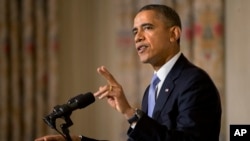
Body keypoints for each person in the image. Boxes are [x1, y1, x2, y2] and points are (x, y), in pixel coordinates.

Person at [35, 4, 221, 141]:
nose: (138, 37)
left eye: (147, 28)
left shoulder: (194, 82)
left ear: (173, 34)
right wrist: (76, 140)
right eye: (134, 31)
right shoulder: (152, 89)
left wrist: (130, 113)